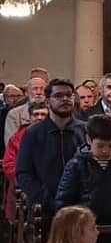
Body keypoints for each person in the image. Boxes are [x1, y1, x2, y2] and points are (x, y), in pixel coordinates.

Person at [16, 78, 86, 215]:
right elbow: (23, 173)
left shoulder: (85, 130)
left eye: (69, 95)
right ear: (47, 101)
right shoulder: (33, 133)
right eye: (58, 96)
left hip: (79, 207)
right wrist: (45, 198)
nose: (65, 99)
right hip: (44, 209)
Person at [54, 113, 111, 224]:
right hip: (84, 227)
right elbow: (64, 201)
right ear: (89, 140)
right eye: (100, 146)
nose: (105, 150)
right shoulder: (76, 166)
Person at [3, 100, 49, 219]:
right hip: (22, 189)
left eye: (43, 114)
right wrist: (25, 182)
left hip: (49, 188)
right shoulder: (16, 138)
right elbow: (9, 164)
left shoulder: (54, 135)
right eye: (36, 114)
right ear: (29, 117)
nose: (39, 118)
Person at [4, 68, 48, 147]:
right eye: (35, 89)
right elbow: (10, 144)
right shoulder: (14, 114)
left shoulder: (53, 112)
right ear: (27, 93)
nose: (39, 92)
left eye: (42, 89)